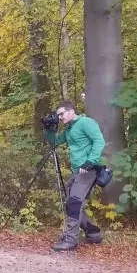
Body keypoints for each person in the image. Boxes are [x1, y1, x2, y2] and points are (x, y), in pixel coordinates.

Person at [45, 100, 106, 251]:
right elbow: (54, 142)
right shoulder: (69, 129)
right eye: (58, 115)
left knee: (74, 203)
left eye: (62, 114)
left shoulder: (86, 122)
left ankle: (70, 241)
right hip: (77, 171)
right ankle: (93, 234)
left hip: (89, 170)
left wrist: (90, 161)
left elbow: (99, 140)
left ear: (71, 111)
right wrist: (48, 129)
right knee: (71, 205)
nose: (60, 117)